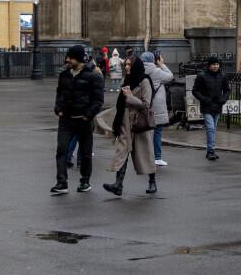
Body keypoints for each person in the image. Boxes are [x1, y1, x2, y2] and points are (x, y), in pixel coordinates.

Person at [103, 54, 158, 196]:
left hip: (139, 123)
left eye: (129, 65)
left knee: (145, 153)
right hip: (125, 122)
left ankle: (152, 181)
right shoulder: (126, 80)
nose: (126, 67)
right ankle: (118, 184)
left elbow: (146, 104)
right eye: (125, 64)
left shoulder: (145, 81)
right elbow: (120, 103)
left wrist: (130, 97)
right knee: (122, 152)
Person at [52, 45, 104, 194]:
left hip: (83, 120)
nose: (67, 60)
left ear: (79, 59)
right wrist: (58, 109)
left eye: (71, 57)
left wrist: (88, 115)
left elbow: (98, 100)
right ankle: (62, 183)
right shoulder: (64, 75)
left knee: (86, 153)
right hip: (66, 120)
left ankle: (85, 181)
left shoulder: (93, 76)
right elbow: (59, 94)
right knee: (61, 150)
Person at [192, 56, 229, 161]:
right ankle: (211, 151)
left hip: (217, 106)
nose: (216, 66)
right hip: (207, 106)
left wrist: (223, 99)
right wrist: (205, 99)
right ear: (209, 65)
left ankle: (210, 150)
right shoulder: (202, 76)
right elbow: (195, 91)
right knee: (211, 128)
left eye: (217, 64)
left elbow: (227, 90)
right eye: (214, 64)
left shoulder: (222, 75)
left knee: (213, 129)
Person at [143, 51, 174, 168]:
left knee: (145, 132)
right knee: (157, 132)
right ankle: (157, 157)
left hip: (144, 105)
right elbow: (170, 76)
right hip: (156, 106)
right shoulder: (156, 71)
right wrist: (162, 64)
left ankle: (145, 157)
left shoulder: (139, 70)